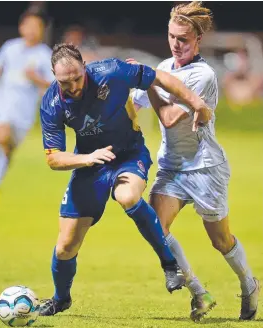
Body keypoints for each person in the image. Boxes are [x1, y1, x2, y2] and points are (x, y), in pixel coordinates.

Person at [38, 43, 212, 316]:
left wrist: (196, 102)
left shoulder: (112, 72)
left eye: (77, 78)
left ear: (85, 67)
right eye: (64, 81)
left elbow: (158, 76)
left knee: (128, 196)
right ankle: (61, 299)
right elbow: (53, 158)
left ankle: (170, 265)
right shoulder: (52, 103)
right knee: (65, 247)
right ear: (53, 75)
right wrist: (87, 159)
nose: (72, 86)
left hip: (129, 154)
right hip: (90, 164)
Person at [131, 1, 259, 322]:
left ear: (197, 39)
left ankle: (249, 284)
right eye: (172, 37)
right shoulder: (163, 67)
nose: (176, 44)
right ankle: (199, 293)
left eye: (184, 39)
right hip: (172, 168)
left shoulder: (204, 75)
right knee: (155, 227)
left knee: (220, 240)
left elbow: (172, 116)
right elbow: (133, 101)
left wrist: (150, 83)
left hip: (205, 169)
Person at [0, 10, 54, 204]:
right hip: (3, 102)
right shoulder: (10, 47)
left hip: (24, 110)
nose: (31, 30)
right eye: (28, 25)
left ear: (42, 30)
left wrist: (36, 78)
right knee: (0, 134)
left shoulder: (45, 55)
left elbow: (53, 84)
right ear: (21, 27)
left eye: (36, 27)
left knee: (7, 148)